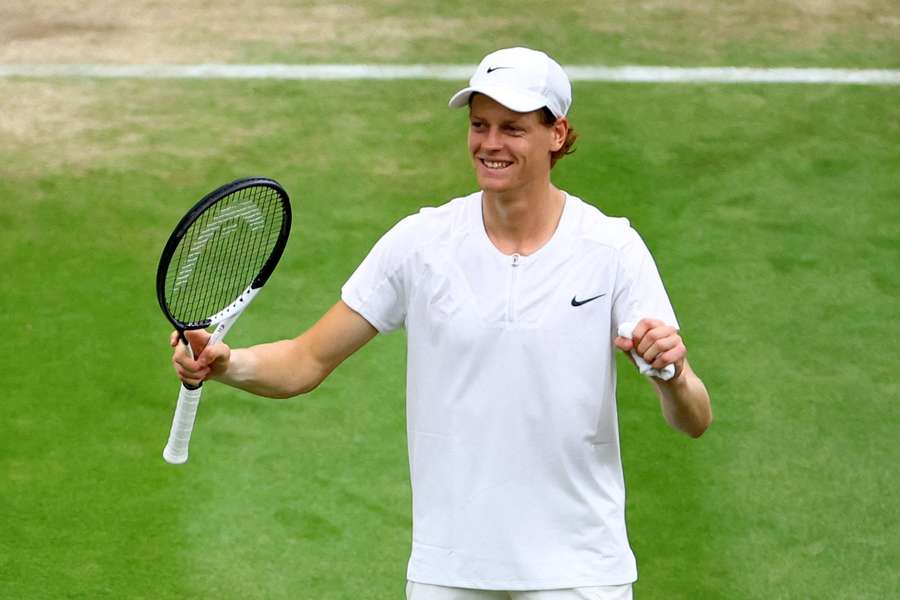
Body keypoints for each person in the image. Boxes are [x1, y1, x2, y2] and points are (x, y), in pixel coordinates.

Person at [171, 47, 712, 600]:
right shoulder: (420, 244)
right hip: (448, 570)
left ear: (557, 134)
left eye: (512, 128)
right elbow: (306, 361)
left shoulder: (611, 249)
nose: (490, 144)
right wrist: (228, 364)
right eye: (479, 125)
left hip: (579, 573)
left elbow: (693, 419)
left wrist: (675, 374)